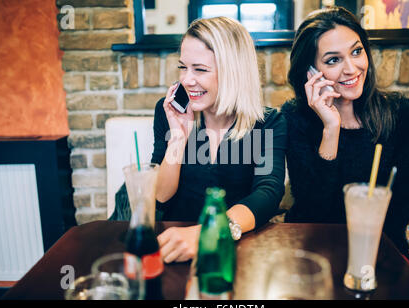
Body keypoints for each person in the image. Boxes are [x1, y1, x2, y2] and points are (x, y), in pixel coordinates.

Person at [112, 16, 287, 263]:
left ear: (233, 72)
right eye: (183, 67)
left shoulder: (268, 122)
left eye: (200, 69)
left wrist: (211, 232)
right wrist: (178, 137)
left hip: (233, 248)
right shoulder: (170, 112)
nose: (186, 79)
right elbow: (161, 195)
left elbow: (267, 193)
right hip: (172, 246)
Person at [281, 7, 409, 259]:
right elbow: (312, 212)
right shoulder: (295, 117)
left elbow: (399, 212)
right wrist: (331, 129)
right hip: (313, 249)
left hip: (380, 249)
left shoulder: (403, 115)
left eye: (357, 52)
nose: (351, 68)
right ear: (310, 72)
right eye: (333, 60)